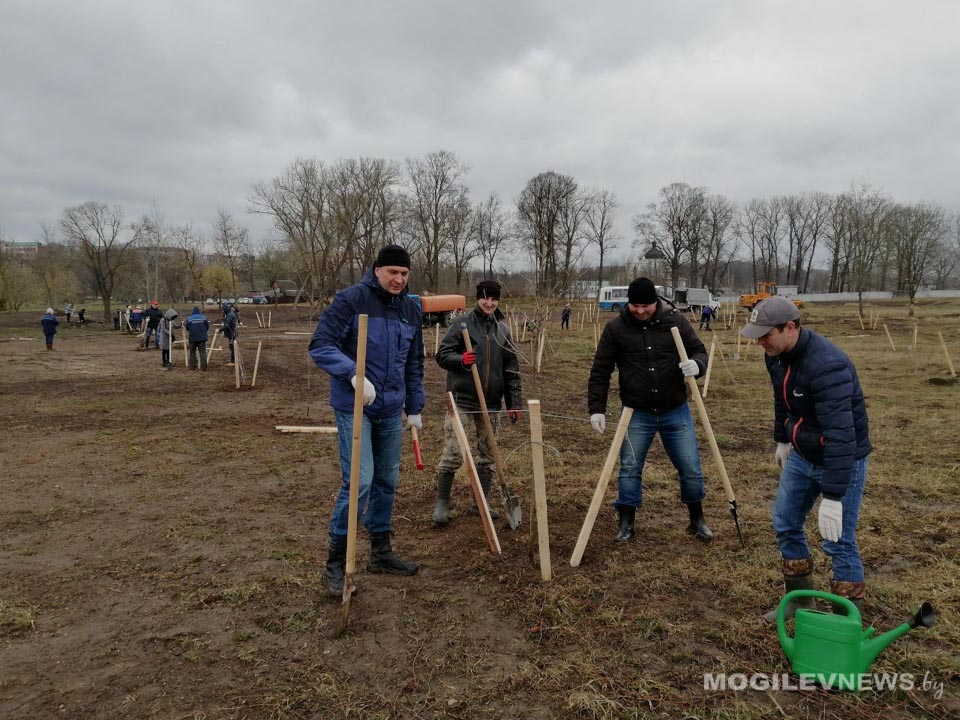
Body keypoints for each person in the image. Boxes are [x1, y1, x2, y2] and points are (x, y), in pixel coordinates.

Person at [740, 297, 872, 621]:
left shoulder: (828, 366)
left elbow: (842, 435)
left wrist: (834, 496)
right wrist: (783, 438)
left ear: (790, 327)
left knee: (839, 539)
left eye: (765, 335)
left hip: (841, 458)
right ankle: (800, 601)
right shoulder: (776, 356)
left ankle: (846, 620)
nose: (759, 343)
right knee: (785, 522)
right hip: (801, 454)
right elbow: (781, 399)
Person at [308, 244, 425, 595]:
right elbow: (321, 344)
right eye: (392, 272)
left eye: (404, 273)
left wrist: (415, 406)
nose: (398, 279)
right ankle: (335, 563)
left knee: (387, 479)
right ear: (377, 270)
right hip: (355, 405)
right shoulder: (352, 300)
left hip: (391, 408)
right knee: (360, 480)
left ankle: (380, 551)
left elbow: (413, 361)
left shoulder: (410, 309)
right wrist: (352, 374)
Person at [587, 277, 714, 544]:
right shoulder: (616, 328)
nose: (641, 310)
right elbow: (600, 370)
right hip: (636, 412)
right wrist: (597, 408)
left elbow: (699, 351)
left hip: (674, 409)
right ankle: (626, 523)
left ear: (655, 302)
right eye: (635, 305)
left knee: (690, 466)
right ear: (628, 303)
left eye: (646, 305)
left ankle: (697, 520)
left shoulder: (675, 321)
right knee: (630, 467)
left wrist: (697, 365)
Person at [433, 279, 523, 524]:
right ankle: (442, 502)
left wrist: (514, 402)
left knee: (487, 455)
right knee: (453, 453)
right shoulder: (461, 324)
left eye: (494, 299)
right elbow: (442, 355)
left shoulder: (503, 330)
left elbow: (511, 369)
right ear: (477, 299)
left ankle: (480, 503)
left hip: (491, 403)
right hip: (462, 399)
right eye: (485, 298)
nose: (489, 303)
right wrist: (461, 360)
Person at [184, 306, 209, 371]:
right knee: (202, 352)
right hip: (202, 338)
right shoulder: (204, 317)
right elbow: (207, 327)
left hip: (192, 338)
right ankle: (204, 367)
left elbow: (187, 328)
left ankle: (192, 366)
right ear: (199, 311)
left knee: (192, 352)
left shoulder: (189, 318)